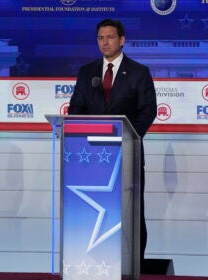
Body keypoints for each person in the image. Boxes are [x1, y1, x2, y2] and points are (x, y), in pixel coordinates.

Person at [68, 18, 157, 269]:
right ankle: (91, 263)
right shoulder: (87, 72)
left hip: (127, 154)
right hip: (92, 155)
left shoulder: (139, 72)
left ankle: (133, 266)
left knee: (131, 211)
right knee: (93, 209)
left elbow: (148, 110)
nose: (104, 42)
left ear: (122, 40)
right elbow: (76, 108)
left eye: (109, 37)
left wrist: (128, 138)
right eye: (100, 38)